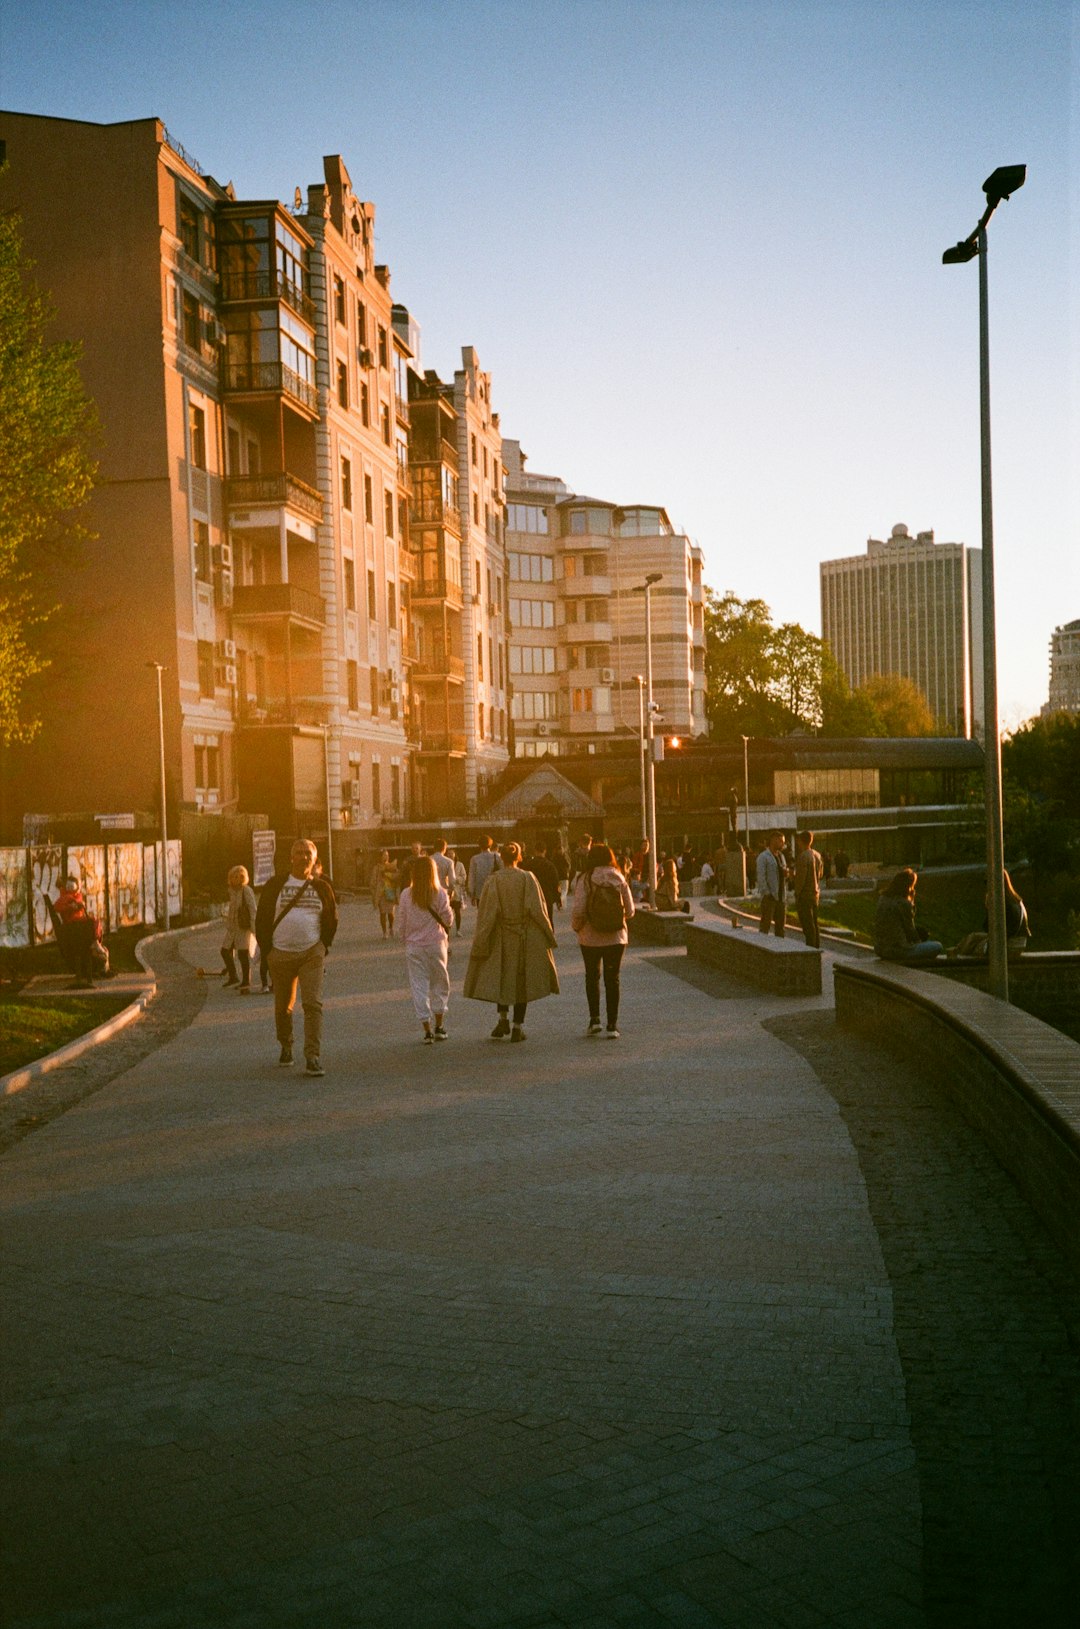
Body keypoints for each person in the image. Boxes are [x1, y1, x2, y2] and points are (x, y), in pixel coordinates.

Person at [255, 839, 338, 1076]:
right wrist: (268, 951)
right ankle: (286, 1044)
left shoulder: (322, 888)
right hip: (280, 954)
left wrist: (323, 946)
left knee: (313, 1004)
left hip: (311, 954)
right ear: (291, 857)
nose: (303, 857)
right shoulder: (276, 885)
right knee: (283, 1007)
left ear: (314, 859)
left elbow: (332, 918)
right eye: (299, 853)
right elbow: (262, 919)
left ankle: (312, 1056)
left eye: (308, 854)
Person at [463, 841, 558, 1042]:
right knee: (521, 981)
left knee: (503, 978)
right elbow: (538, 911)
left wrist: (481, 940)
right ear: (519, 857)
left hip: (501, 936)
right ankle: (517, 1026)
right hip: (523, 936)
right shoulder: (528, 878)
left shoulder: (493, 880)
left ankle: (503, 1019)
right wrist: (549, 935)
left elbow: (487, 914)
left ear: (502, 858)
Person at [571, 842, 635, 1038]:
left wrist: (577, 927)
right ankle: (612, 1026)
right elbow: (631, 911)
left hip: (590, 937)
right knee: (612, 979)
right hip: (616, 937)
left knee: (592, 977)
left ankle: (595, 1020)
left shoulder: (585, 878)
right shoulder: (618, 876)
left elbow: (579, 909)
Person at [396, 854, 453, 1043]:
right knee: (439, 983)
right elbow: (448, 919)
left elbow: (402, 921)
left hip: (414, 946)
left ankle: (426, 1029)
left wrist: (405, 938)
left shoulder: (406, 894)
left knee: (419, 986)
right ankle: (440, 1026)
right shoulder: (440, 893)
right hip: (436, 944)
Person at [949, 869, 1031, 959]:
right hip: (1020, 943)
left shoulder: (1001, 901)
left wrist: (989, 907)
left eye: (987, 882)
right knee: (974, 937)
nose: (987, 886)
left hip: (1008, 946)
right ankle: (956, 951)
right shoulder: (1016, 899)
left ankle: (955, 954)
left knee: (974, 946)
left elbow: (988, 927)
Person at [873, 868, 943, 965]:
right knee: (937, 946)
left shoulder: (883, 899)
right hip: (898, 951)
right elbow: (910, 931)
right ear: (908, 886)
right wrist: (912, 900)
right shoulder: (903, 903)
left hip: (880, 949)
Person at [50, 875, 107, 987]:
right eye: (69, 886)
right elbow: (56, 907)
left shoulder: (76, 897)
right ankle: (96, 942)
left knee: (94, 922)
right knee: (94, 921)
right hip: (74, 928)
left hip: (77, 927)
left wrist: (79, 906)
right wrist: (72, 907)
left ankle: (96, 942)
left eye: (73, 886)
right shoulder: (65, 897)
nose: (71, 888)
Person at [222, 864, 258, 991]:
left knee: (243, 954)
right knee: (225, 951)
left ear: (243, 877)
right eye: (233, 877)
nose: (235, 879)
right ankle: (233, 976)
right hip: (233, 928)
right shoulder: (232, 891)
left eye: (238, 876)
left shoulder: (246, 890)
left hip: (243, 927)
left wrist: (254, 928)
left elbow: (252, 909)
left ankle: (246, 981)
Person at [793, 830, 824, 949]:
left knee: (807, 925)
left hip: (805, 895)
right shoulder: (817, 855)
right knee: (815, 924)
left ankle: (810, 949)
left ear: (801, 841)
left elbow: (801, 878)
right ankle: (816, 947)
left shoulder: (803, 857)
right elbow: (820, 874)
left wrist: (797, 892)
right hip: (815, 894)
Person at [756, 831, 788, 938]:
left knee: (780, 927)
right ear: (774, 840)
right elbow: (761, 877)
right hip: (769, 897)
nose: (783, 844)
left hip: (781, 897)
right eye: (781, 841)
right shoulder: (763, 857)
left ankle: (780, 949)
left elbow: (782, 872)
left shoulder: (781, 856)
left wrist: (786, 873)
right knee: (765, 925)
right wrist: (767, 892)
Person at [525, 841, 561, 921]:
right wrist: (558, 898)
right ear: (545, 850)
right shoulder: (550, 865)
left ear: (535, 851)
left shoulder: (528, 865)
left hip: (532, 897)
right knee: (548, 919)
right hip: (547, 896)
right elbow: (555, 882)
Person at [369, 849, 399, 938]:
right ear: (380, 857)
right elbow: (373, 881)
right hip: (381, 893)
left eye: (387, 855)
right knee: (382, 913)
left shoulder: (392, 867)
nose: (386, 857)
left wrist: (389, 875)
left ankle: (391, 927)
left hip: (390, 892)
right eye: (384, 855)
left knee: (391, 913)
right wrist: (374, 893)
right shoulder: (377, 868)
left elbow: (397, 877)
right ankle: (384, 932)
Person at [467, 835, 501, 905]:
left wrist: (472, 893)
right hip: (495, 890)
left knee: (482, 913)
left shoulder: (474, 859)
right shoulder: (497, 857)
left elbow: (472, 877)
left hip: (480, 891)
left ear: (479, 845)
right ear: (491, 845)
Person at [447, 848, 468, 935]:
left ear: (455, 855)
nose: (450, 855)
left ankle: (458, 930)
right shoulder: (446, 863)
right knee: (447, 911)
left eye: (452, 854)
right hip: (447, 891)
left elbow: (464, 877)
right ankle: (447, 929)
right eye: (449, 854)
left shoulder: (460, 865)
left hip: (457, 892)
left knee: (457, 911)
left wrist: (456, 879)